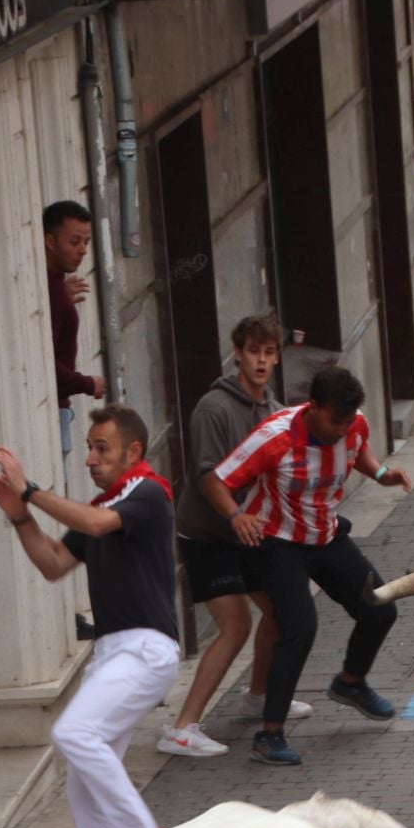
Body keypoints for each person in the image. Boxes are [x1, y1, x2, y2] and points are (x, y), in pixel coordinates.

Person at [0, 406, 179, 828]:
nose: (90, 459)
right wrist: (20, 516)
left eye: (101, 449)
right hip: (114, 654)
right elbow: (53, 562)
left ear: (133, 451)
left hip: (145, 649)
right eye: (89, 447)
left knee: (74, 734)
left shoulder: (149, 492)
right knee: (83, 781)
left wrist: (29, 490)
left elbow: (95, 525)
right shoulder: (103, 506)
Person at [215, 365, 411, 767]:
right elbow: (216, 480)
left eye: (346, 421)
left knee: (380, 607)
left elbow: (360, 453)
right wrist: (236, 516)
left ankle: (350, 683)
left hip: (325, 534)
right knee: (300, 627)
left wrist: (382, 475)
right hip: (276, 541)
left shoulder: (353, 424)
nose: (341, 429)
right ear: (313, 407)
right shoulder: (274, 437)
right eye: (333, 420)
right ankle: (269, 735)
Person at [160, 314, 310, 760]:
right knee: (236, 626)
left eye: (269, 353)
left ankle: (258, 696)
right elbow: (208, 475)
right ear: (237, 354)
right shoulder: (214, 409)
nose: (261, 361)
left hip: (249, 529)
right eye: (253, 352)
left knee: (282, 612)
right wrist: (235, 516)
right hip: (210, 532)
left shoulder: (273, 409)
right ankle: (182, 728)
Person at [43, 201, 103, 472]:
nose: (83, 250)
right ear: (49, 241)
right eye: (75, 241)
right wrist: (88, 383)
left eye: (86, 241)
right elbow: (46, 363)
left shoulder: (54, 286)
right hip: (53, 414)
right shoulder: (53, 291)